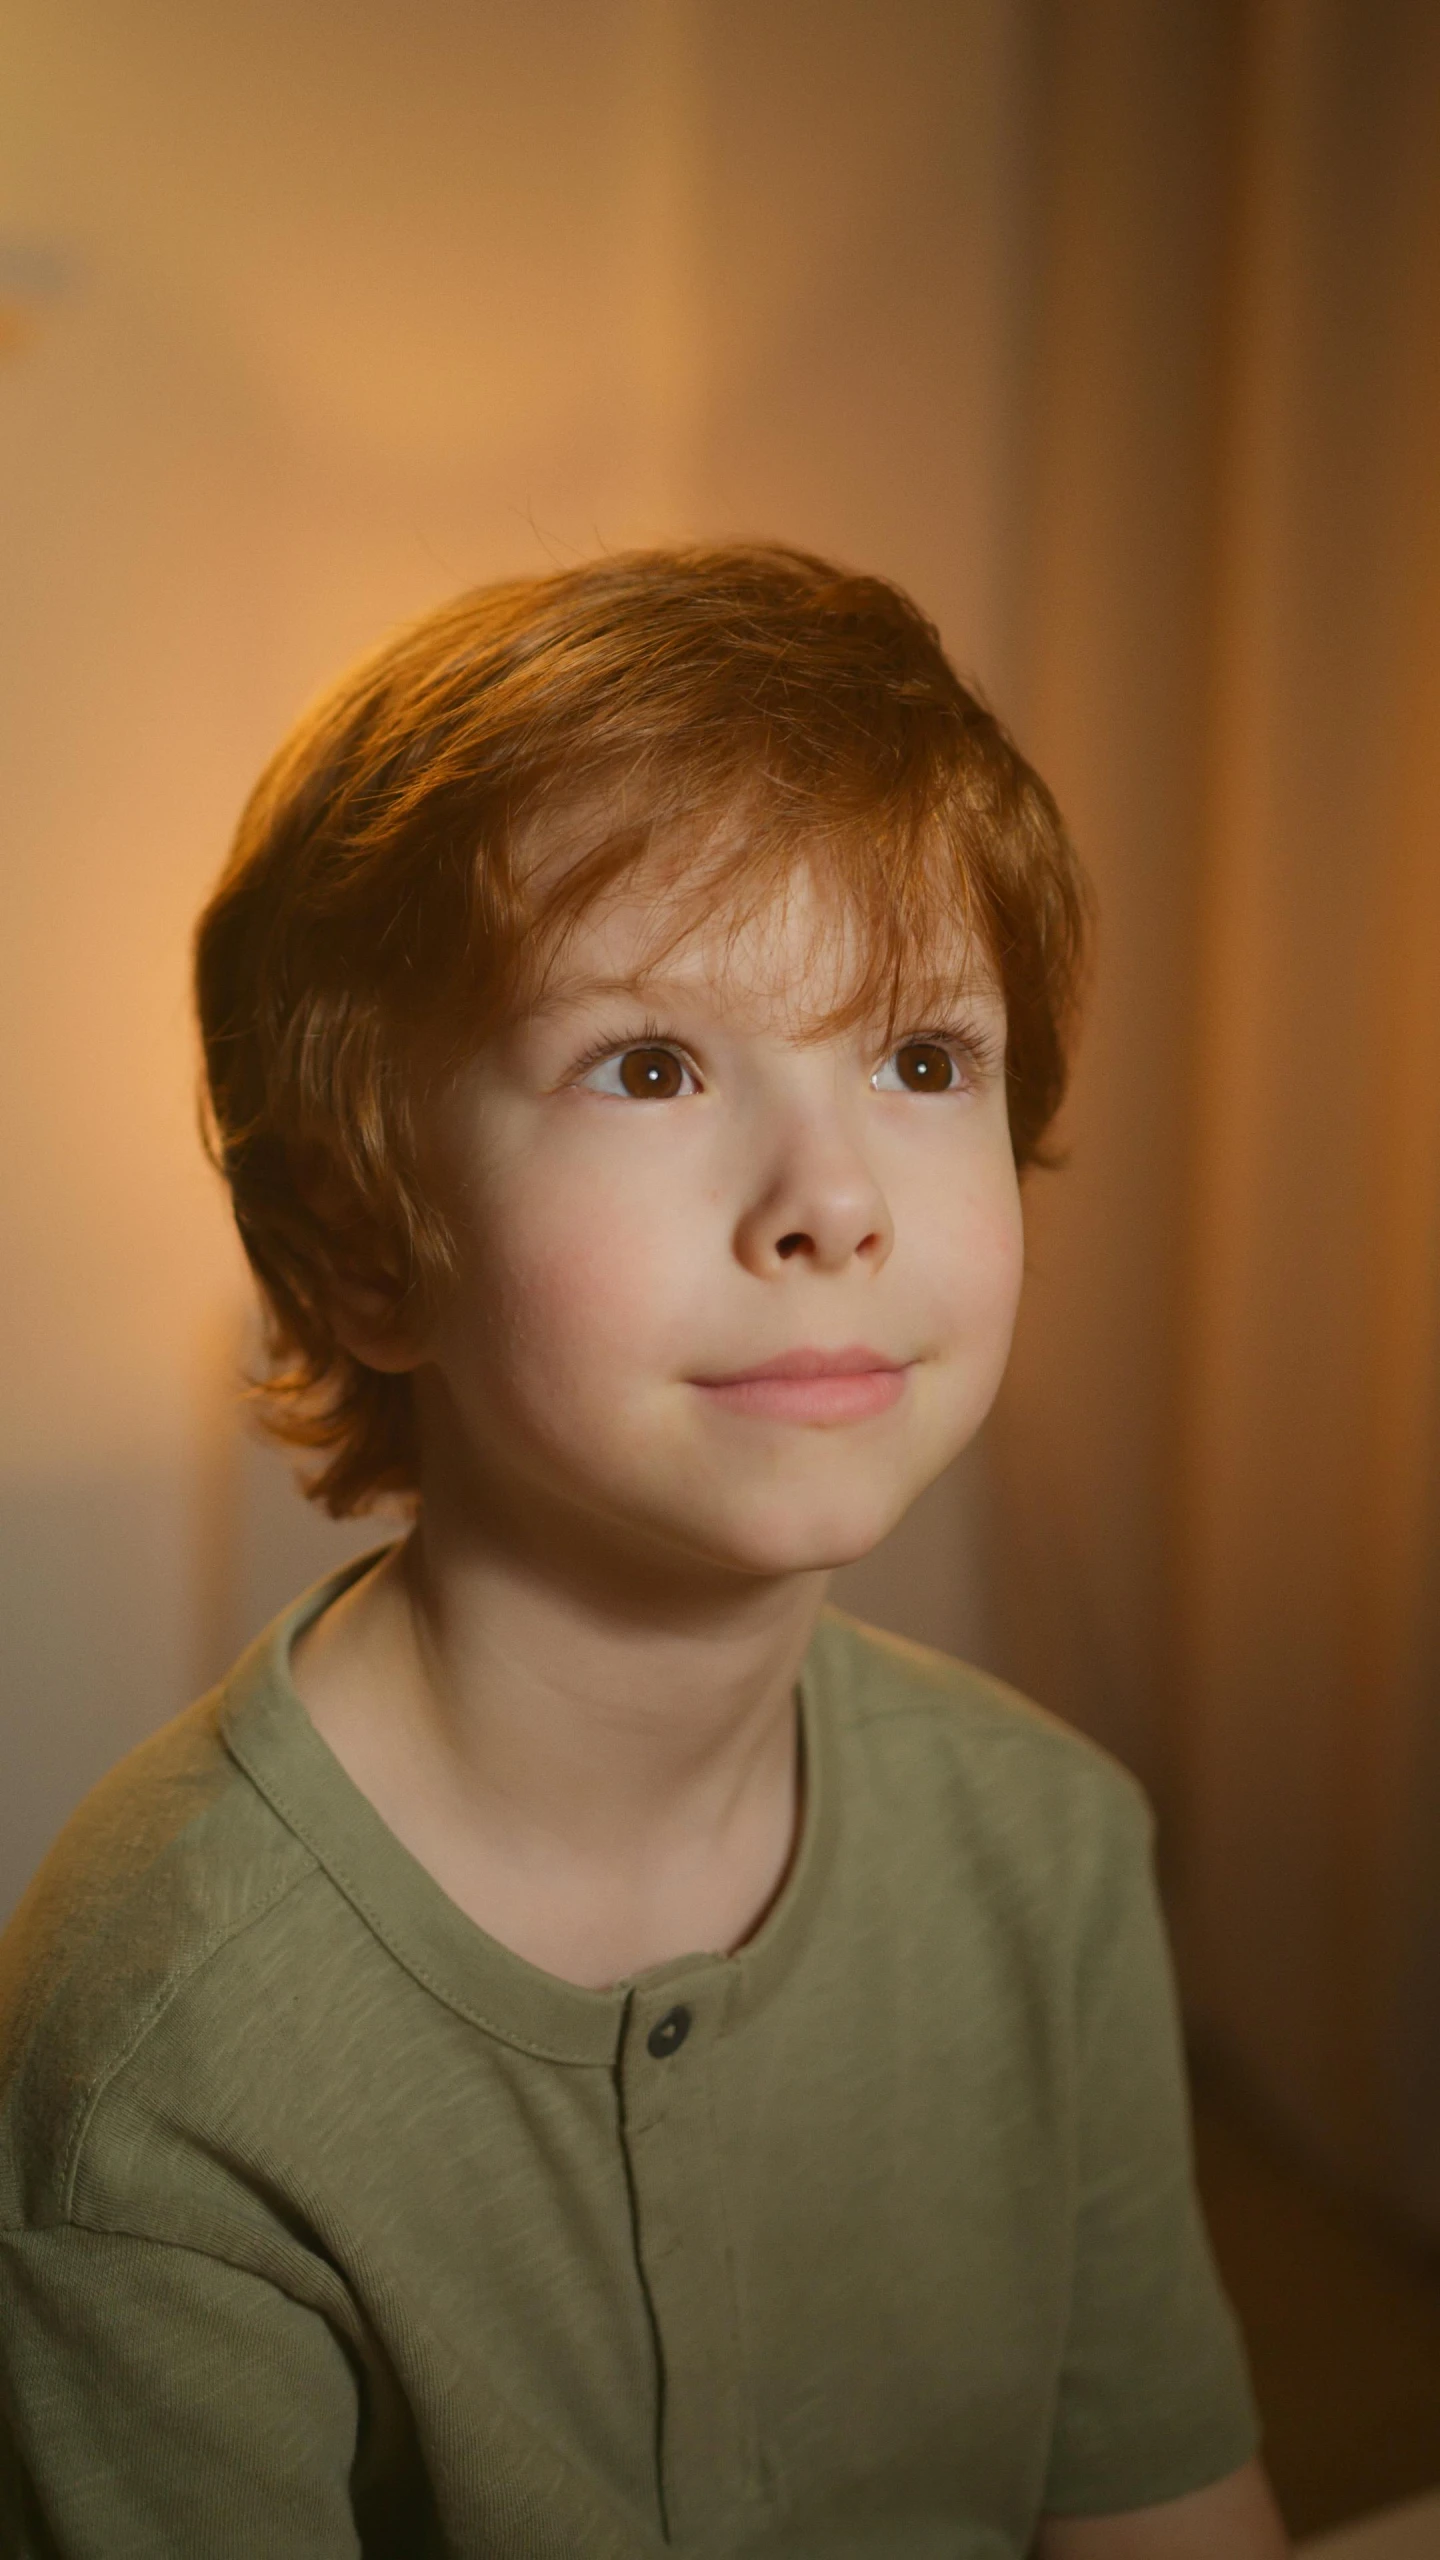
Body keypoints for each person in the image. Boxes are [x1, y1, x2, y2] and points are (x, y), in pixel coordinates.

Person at [0, 546, 1290, 2556]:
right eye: (653, 1064)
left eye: (922, 1057)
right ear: (364, 1242)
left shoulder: (1050, 1853)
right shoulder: (167, 2034)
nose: (833, 1200)